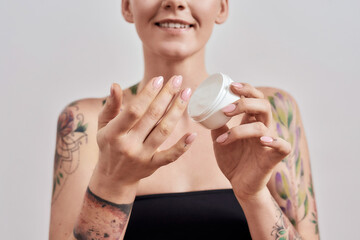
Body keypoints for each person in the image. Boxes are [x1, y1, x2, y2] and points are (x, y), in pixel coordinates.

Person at [49, 0, 319, 239]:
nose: (175, 2)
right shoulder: (85, 124)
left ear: (221, 7)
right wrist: (113, 183)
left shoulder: (267, 114)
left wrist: (254, 195)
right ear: (127, 6)